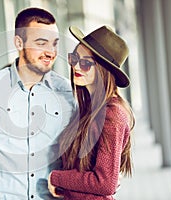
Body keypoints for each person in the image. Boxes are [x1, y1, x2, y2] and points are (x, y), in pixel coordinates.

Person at [0, 7, 76, 199]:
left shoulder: (68, 94)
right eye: (41, 43)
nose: (50, 52)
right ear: (19, 42)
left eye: (54, 44)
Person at [47, 25, 135, 199]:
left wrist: (56, 178)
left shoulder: (112, 114)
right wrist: (65, 188)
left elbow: (105, 183)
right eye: (74, 58)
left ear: (104, 70)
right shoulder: (89, 109)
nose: (76, 67)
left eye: (86, 63)